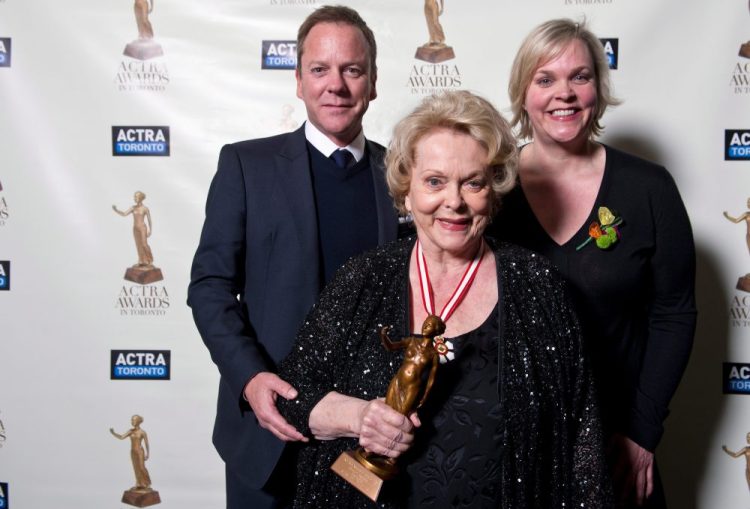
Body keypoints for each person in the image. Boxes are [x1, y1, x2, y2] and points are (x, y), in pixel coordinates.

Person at [276, 90, 612, 508]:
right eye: (434, 181)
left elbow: (583, 441)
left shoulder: (538, 285)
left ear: (493, 190)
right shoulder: (363, 278)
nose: (453, 201)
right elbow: (290, 397)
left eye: (473, 182)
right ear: (407, 190)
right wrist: (359, 417)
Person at [187, 6, 398, 508]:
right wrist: (251, 379)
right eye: (320, 69)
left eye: (352, 69)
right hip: (272, 433)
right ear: (298, 81)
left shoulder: (403, 176)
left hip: (373, 438)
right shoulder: (245, 165)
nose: (336, 85)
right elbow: (210, 286)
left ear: (372, 82)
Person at [489, 18, 696, 508]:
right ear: (523, 93)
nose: (564, 93)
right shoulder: (488, 188)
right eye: (545, 79)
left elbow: (675, 314)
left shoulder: (649, 188)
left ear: (598, 91)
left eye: (580, 77)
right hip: (512, 444)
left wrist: (643, 435)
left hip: (616, 441)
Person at [110, 415, 154, 491]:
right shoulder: (130, 431)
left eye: (134, 420)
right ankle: (139, 484)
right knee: (136, 468)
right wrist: (113, 433)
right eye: (131, 420)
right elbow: (121, 437)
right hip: (133, 451)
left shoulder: (142, 432)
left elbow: (146, 443)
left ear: (139, 421)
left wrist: (148, 454)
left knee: (142, 467)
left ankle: (147, 483)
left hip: (140, 451)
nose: (132, 421)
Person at [113, 191, 154, 268]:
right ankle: (141, 261)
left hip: (142, 228)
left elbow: (149, 220)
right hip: (135, 228)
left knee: (144, 245)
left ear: (141, 198)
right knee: (138, 245)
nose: (134, 198)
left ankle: (149, 260)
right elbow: (124, 214)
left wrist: (150, 230)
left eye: (136, 197)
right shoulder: (133, 207)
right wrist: (116, 210)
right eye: (134, 197)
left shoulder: (145, 209)